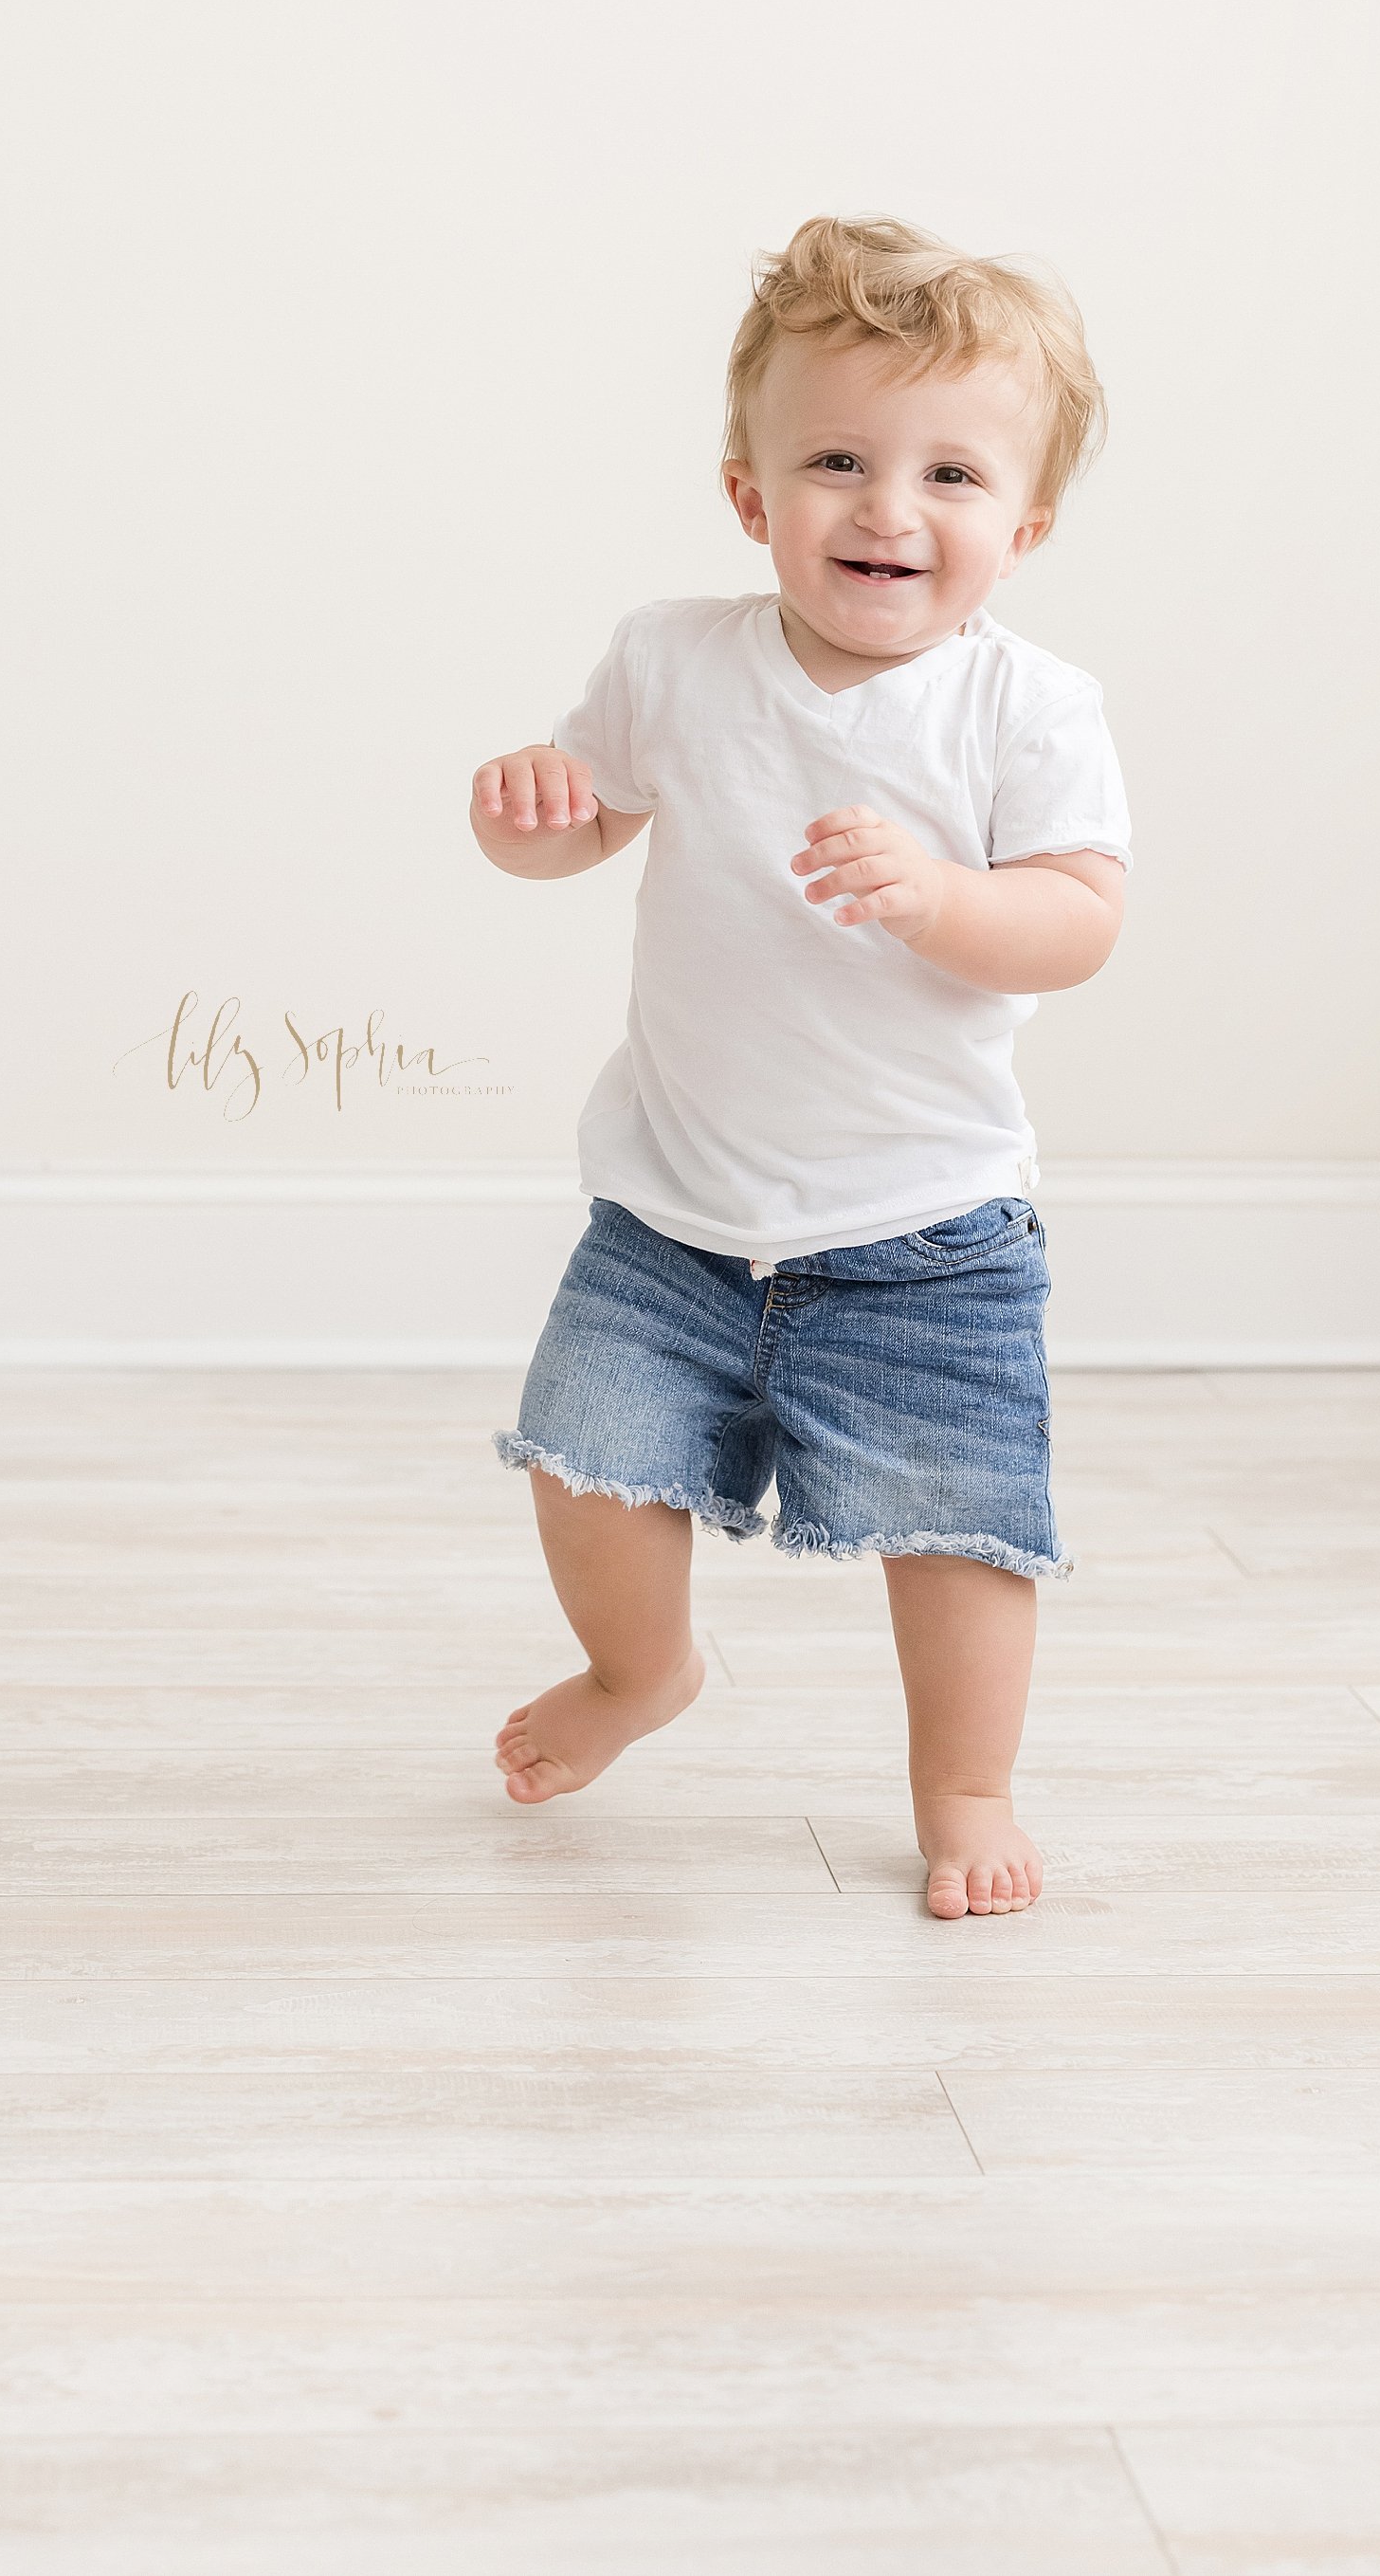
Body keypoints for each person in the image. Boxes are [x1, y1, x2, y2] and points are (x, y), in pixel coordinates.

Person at [469, 216, 1128, 1919]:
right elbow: (592, 827)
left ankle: (965, 1782)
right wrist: (530, 821)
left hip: (925, 1230)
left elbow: (1078, 921)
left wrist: (943, 899)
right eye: (836, 459)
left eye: (952, 474)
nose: (888, 508)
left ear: (1024, 523)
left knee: (961, 1526)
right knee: (581, 1457)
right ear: (752, 494)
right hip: (675, 1213)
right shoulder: (673, 660)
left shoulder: (1024, 712)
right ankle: (643, 1673)